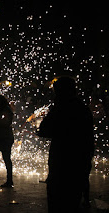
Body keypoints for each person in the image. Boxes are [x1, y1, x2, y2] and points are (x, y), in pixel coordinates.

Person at [38, 76, 95, 213]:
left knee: (58, 200)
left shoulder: (60, 109)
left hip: (62, 161)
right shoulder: (82, 108)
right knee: (73, 200)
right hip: (79, 160)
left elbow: (44, 129)